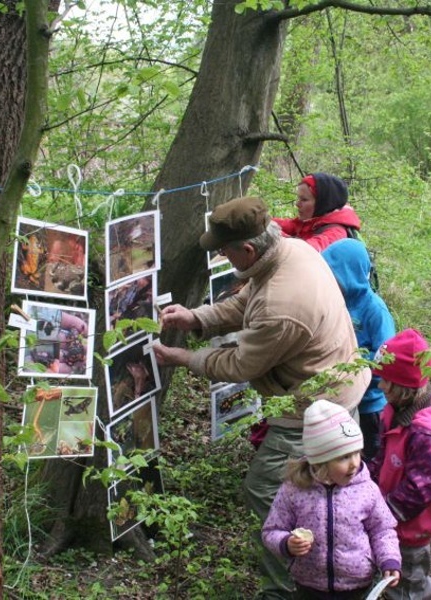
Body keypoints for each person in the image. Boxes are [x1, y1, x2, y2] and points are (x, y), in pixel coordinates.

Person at [152, 196, 370, 599]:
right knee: (325, 488)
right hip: (336, 390)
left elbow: (239, 365)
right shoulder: (290, 250)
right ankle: (328, 561)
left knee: (269, 490)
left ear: (248, 249)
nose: (221, 255)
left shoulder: (283, 304)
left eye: (224, 250)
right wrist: (197, 317)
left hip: (312, 406)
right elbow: (247, 300)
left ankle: (289, 585)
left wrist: (183, 357)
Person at [262, 400, 401, 599]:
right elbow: (271, 530)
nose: (354, 464)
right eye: (343, 457)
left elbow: (382, 529)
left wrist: (389, 559)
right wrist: (286, 543)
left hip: (357, 584)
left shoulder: (366, 489)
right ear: (320, 461)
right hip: (309, 585)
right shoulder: (294, 490)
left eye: (356, 453)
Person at [368, 329, 431, 600]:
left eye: (386, 381)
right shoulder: (395, 411)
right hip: (391, 519)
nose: (380, 386)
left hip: (408, 530)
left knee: (405, 587)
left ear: (404, 387)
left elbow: (420, 489)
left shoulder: (426, 435)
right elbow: (382, 456)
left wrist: (383, 514)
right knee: (410, 581)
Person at [322, 238, 396, 460]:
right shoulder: (335, 303)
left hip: (370, 403)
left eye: (333, 275)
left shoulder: (375, 310)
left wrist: (358, 372)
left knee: (369, 456)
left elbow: (386, 355)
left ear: (349, 273)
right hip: (341, 398)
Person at [273, 173, 362, 252]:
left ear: (323, 203)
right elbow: (290, 225)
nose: (297, 204)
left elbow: (306, 251)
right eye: (298, 198)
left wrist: (271, 234)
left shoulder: (336, 233)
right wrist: (264, 220)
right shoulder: (314, 221)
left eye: (304, 199)